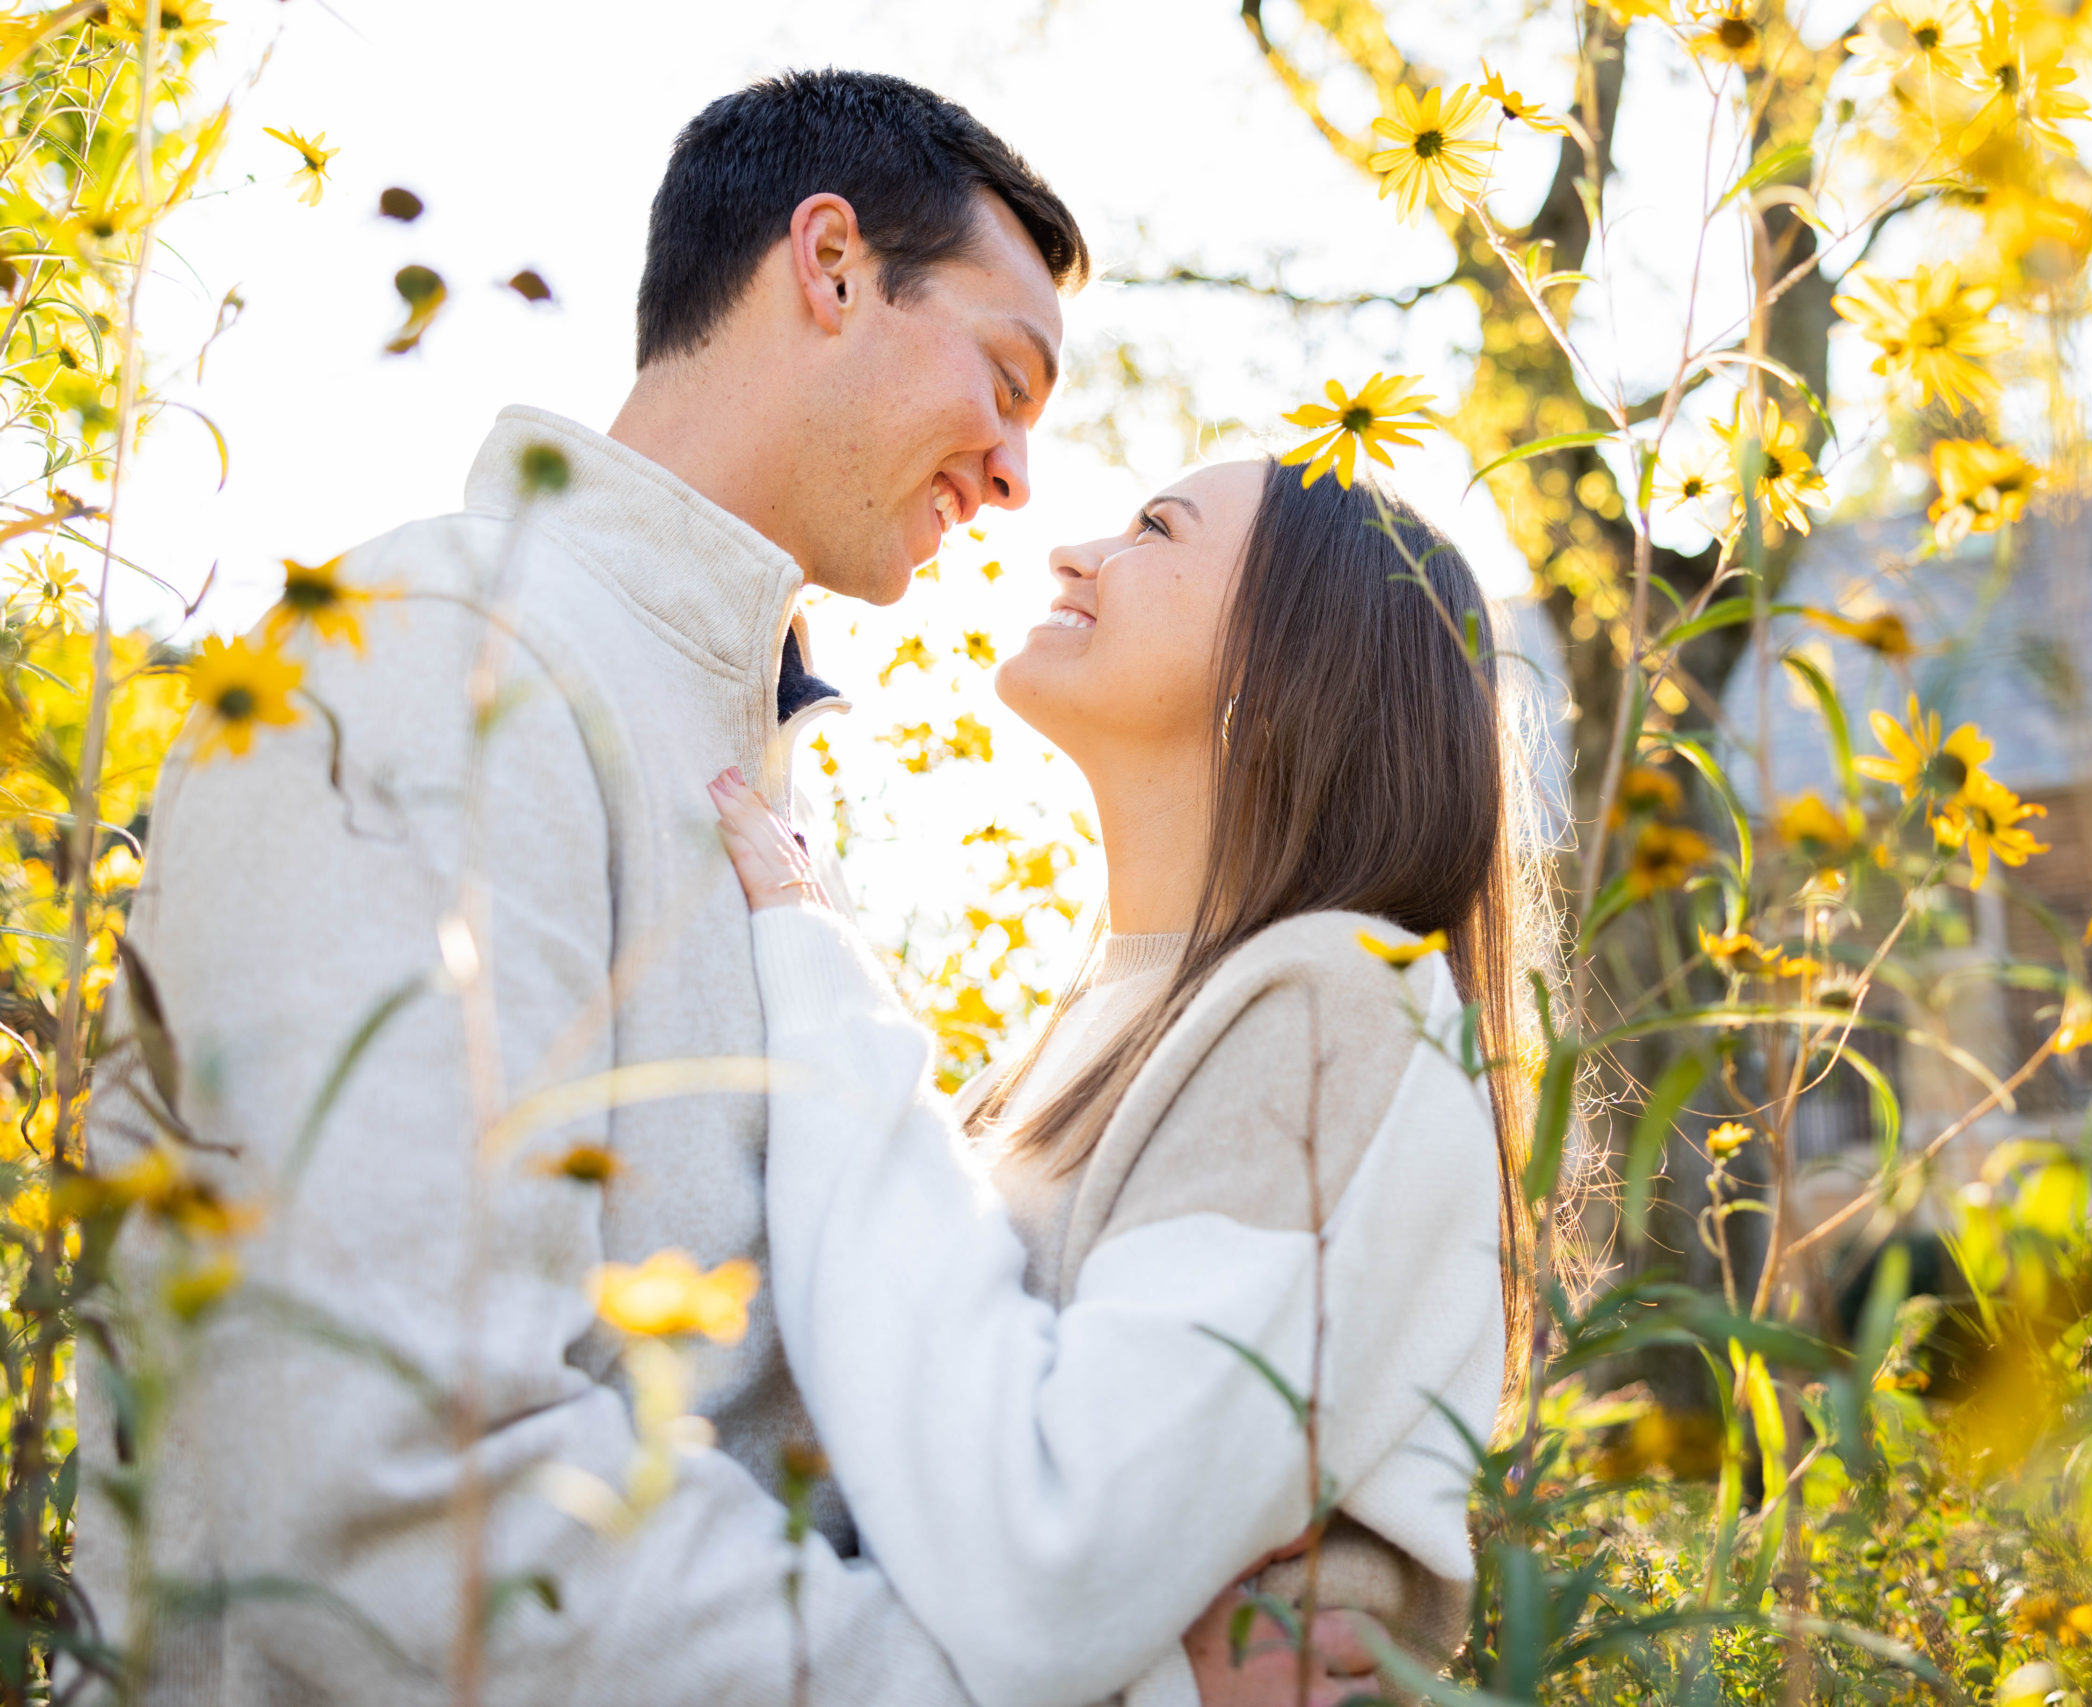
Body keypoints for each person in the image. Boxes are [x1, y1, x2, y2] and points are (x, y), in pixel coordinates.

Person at [74, 71, 1376, 1705]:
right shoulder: (433, 661)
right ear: (829, 266)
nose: (1022, 475)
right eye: (1007, 374)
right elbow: (382, 1502)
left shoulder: (748, 771)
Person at [706, 459, 1535, 1707]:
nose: (1073, 552)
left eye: (1155, 528)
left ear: (1294, 649)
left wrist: (823, 981)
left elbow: (1050, 1572)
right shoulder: (1098, 1020)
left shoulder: (1334, 1002)